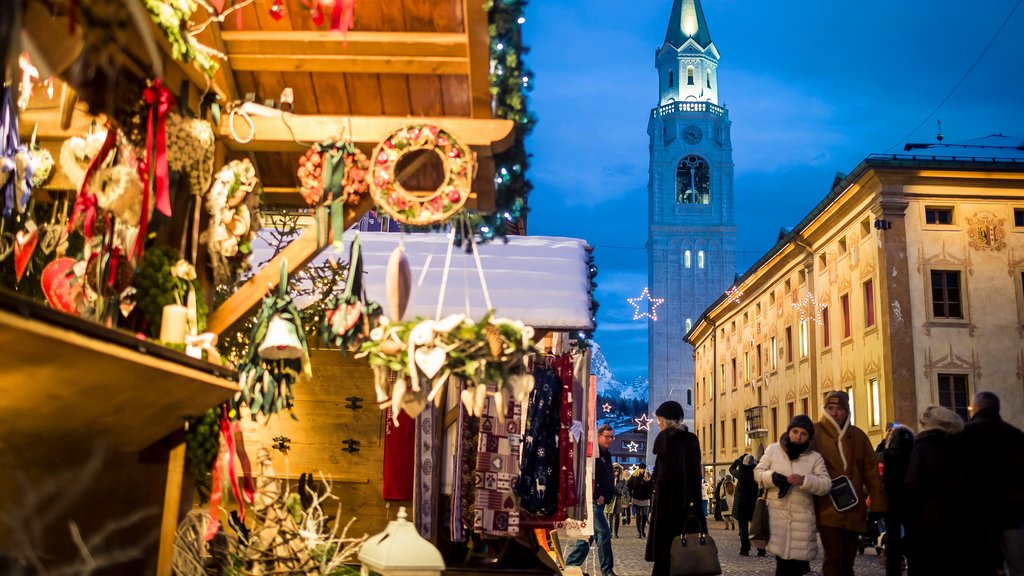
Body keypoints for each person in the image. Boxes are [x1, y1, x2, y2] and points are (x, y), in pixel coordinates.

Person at [814, 390, 887, 576]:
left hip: (854, 507)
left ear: (847, 411)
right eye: (830, 408)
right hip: (826, 507)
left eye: (839, 408)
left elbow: (871, 472)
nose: (835, 413)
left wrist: (877, 503)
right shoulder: (815, 433)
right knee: (834, 556)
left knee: (848, 559)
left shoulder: (859, 436)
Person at [754, 415, 832, 576]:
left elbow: (825, 484)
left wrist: (805, 480)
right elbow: (758, 473)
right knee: (781, 566)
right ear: (789, 432)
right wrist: (772, 477)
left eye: (803, 433)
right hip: (777, 519)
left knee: (797, 568)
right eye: (795, 431)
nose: (798, 436)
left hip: (802, 522)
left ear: (808, 437)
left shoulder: (814, 458)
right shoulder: (773, 450)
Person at [961, 391, 1024, 575]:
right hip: (1013, 515)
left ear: (977, 409)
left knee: (981, 565)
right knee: (1017, 567)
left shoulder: (966, 434)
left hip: (979, 514)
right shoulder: (1015, 435)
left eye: (970, 408)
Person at [904, 405, 971, 576]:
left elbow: (911, 485)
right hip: (959, 521)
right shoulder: (963, 448)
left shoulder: (922, 448)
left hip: (926, 521)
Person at [644, 401, 704, 576]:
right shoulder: (688, 440)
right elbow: (693, 476)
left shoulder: (666, 441)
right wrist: (693, 505)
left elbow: (660, 477)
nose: (658, 424)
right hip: (684, 504)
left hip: (666, 507)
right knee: (686, 556)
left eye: (660, 420)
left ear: (668, 421)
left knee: (666, 557)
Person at [565, 423, 618, 576]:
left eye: (612, 436)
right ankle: (607, 570)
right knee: (604, 532)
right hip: (593, 501)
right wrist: (597, 495)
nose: (610, 439)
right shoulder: (593, 454)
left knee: (587, 537)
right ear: (598, 436)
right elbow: (588, 476)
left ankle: (570, 565)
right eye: (607, 436)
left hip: (600, 501)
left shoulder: (606, 454)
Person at [875, 422, 915, 576]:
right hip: (909, 500)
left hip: (891, 500)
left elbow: (877, 454)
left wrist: (884, 440)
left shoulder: (888, 455)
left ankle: (893, 569)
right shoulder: (913, 453)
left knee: (892, 537)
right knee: (911, 535)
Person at [730, 453, 765, 556]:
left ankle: (744, 549)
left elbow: (731, 468)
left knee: (743, 528)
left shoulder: (740, 475)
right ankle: (761, 550)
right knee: (757, 528)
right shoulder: (756, 475)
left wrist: (738, 460)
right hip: (754, 504)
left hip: (742, 505)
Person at [627, 464, 653, 538]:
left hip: (645, 498)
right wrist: (631, 493)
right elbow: (629, 484)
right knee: (638, 515)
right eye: (641, 469)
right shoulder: (634, 476)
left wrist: (649, 493)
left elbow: (652, 486)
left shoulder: (648, 476)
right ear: (639, 469)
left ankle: (643, 529)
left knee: (645, 515)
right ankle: (639, 532)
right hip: (636, 498)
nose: (642, 470)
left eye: (643, 469)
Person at [606, 463, 624, 538]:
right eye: (614, 469)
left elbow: (624, 490)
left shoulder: (622, 480)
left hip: (618, 499)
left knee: (617, 517)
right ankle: (610, 532)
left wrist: (617, 490)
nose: (616, 471)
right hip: (610, 499)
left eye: (617, 469)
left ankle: (616, 532)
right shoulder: (608, 478)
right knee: (609, 516)